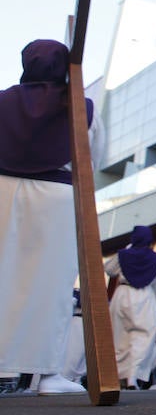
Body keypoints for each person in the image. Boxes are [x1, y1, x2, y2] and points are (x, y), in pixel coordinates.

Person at [0, 40, 103, 396]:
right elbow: (93, 158)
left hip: (1, 188)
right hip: (55, 196)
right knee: (51, 284)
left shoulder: (2, 100)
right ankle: (46, 374)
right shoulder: (80, 106)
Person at [104, 225, 156, 389]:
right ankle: (132, 376)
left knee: (119, 337)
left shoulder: (124, 255)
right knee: (143, 338)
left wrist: (126, 250)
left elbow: (109, 270)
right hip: (145, 296)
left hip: (123, 292)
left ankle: (115, 376)